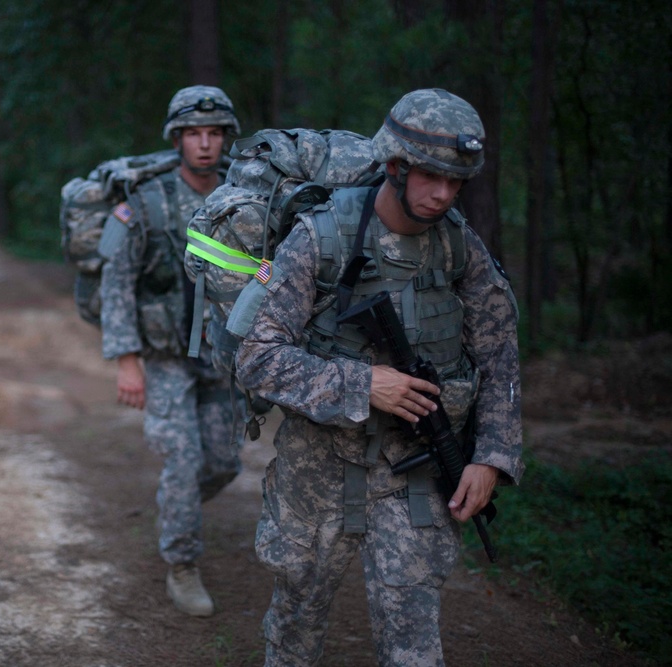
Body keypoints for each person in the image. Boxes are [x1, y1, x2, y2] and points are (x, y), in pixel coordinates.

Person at [231, 88, 525, 665]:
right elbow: (257, 358)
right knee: (296, 632)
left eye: (457, 182)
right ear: (395, 166)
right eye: (431, 176)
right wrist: (363, 385)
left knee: (414, 647)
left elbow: (500, 354)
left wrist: (492, 456)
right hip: (319, 471)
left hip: (414, 476)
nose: (444, 194)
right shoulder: (321, 237)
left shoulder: (458, 246)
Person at [97, 85, 245, 617]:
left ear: (225, 138)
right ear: (177, 139)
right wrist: (127, 361)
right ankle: (181, 564)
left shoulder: (243, 194)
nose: (204, 144)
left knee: (224, 462)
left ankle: (174, 508)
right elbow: (116, 281)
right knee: (183, 462)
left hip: (222, 354)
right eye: (193, 134)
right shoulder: (145, 200)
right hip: (163, 358)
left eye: (213, 133)